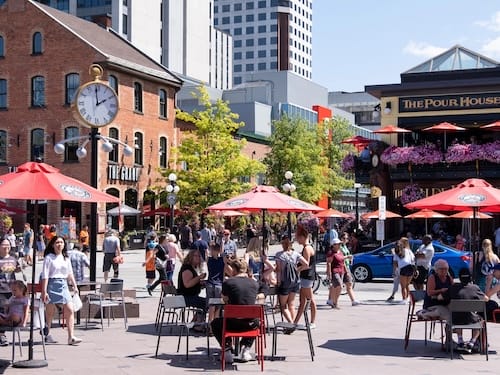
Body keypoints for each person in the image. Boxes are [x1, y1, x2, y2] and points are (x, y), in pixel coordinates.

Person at [210, 257, 266, 363]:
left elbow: (224, 298)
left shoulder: (228, 282)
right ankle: (246, 349)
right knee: (258, 322)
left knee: (215, 323)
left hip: (232, 323)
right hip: (249, 324)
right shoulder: (254, 283)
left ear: (234, 270)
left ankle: (227, 350)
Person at [41, 236, 82, 345]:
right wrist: (44, 291)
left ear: (64, 245)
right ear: (53, 245)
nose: (59, 244)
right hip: (52, 283)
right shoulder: (49, 257)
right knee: (50, 311)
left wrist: (74, 285)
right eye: (57, 242)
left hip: (63, 284)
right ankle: (47, 333)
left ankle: (71, 336)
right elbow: (45, 275)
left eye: (61, 242)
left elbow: (70, 273)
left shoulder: (66, 258)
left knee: (69, 309)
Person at [446, 268, 488, 353]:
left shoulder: (453, 287)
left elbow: (440, 297)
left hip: (455, 320)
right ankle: (472, 342)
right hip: (471, 320)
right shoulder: (475, 288)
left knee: (457, 315)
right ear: (470, 277)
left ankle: (460, 340)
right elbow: (486, 299)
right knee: (480, 320)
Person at [275, 234, 307, 322]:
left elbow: (278, 270)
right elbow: (306, 264)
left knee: (283, 305)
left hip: (284, 282)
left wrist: (278, 282)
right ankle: (292, 323)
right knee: (291, 304)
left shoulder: (279, 255)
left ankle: (290, 323)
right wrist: (297, 270)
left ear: (282, 243)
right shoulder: (296, 254)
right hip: (295, 281)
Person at [293, 226, 317, 329]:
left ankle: (312, 322)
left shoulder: (307, 248)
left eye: (298, 237)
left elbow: (306, 264)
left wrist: (296, 270)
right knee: (302, 301)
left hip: (307, 277)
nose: (297, 240)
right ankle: (295, 322)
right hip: (306, 277)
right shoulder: (307, 247)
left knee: (310, 300)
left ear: (303, 237)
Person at [0, 239, 22, 346]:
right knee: (2, 312)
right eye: (4, 245)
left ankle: (3, 334)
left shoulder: (13, 258)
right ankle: (2, 335)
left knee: (8, 312)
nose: (6, 247)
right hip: (1, 289)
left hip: (11, 289)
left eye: (8, 245)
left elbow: (17, 270)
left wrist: (19, 268)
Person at [177, 249, 207, 325]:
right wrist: (199, 277)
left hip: (190, 296)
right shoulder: (187, 269)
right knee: (207, 303)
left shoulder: (192, 268)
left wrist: (200, 283)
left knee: (205, 302)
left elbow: (192, 282)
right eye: (195, 256)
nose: (198, 258)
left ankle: (195, 321)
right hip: (186, 297)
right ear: (190, 257)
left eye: (199, 256)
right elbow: (187, 284)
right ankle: (197, 323)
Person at [339, 232, 360, 306]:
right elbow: (341, 258)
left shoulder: (345, 246)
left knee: (347, 284)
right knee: (344, 285)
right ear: (340, 238)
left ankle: (332, 299)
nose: (345, 240)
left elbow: (346, 255)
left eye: (347, 238)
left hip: (346, 266)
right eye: (344, 238)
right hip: (343, 266)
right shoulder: (340, 247)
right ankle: (332, 300)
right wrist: (345, 267)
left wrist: (350, 258)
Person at [206, 242, 225, 323]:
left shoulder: (209, 260)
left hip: (210, 283)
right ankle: (216, 323)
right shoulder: (222, 260)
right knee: (218, 306)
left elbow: (206, 254)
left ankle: (210, 323)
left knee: (211, 305)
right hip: (219, 284)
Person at [393, 237, 415, 304]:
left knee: (403, 286)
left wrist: (395, 271)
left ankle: (404, 299)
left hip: (403, 269)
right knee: (407, 285)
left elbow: (395, 264)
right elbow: (413, 259)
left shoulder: (396, 253)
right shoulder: (408, 250)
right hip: (411, 268)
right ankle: (408, 298)